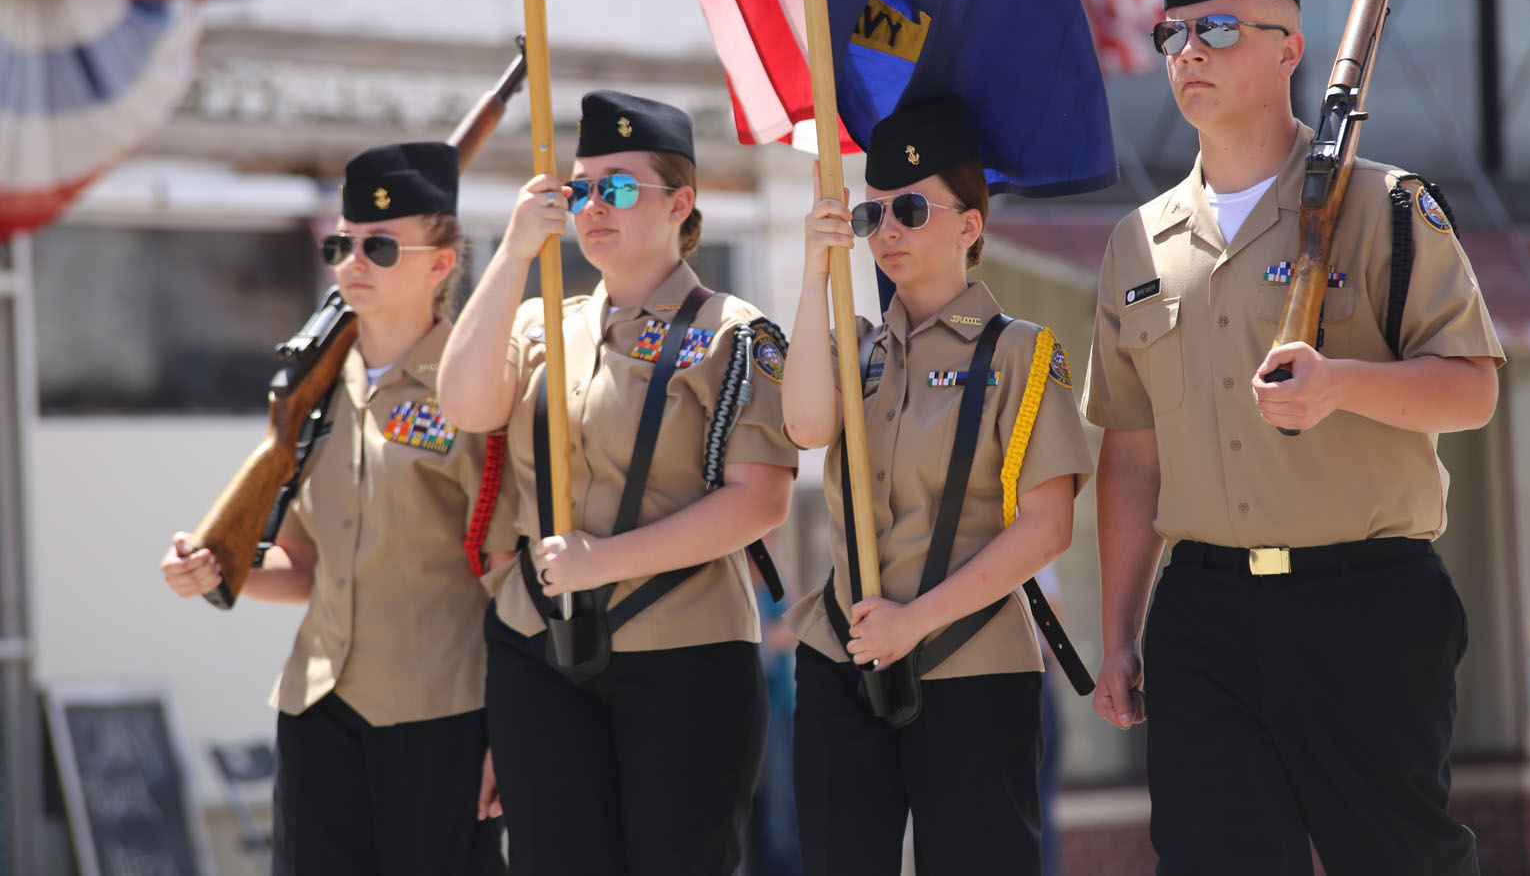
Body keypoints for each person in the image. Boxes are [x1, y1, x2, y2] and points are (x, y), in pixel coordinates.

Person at [1085, 0, 1504, 876]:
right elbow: (1133, 450)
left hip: (1362, 600)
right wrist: (1117, 633)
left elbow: (1473, 387)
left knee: (1398, 858)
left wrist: (1342, 384)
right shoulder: (1137, 246)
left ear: (1290, 48)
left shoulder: (1388, 207)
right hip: (1201, 608)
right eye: (1173, 33)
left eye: (1219, 28)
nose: (1188, 51)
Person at [436, 90, 798, 876]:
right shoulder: (540, 324)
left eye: (622, 186)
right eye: (581, 188)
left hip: (684, 651)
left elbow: (760, 498)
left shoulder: (735, 332)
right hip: (540, 650)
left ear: (683, 204)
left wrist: (606, 559)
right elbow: (463, 401)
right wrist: (510, 253)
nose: (595, 204)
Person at [160, 141, 515, 876]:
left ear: (442, 263)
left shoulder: (478, 390)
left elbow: (513, 577)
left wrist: (510, 733)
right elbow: (307, 562)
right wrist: (222, 565)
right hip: (318, 710)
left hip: (441, 718)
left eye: (380, 246)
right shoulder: (314, 388)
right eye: (341, 243)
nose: (353, 260)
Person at [782, 96, 1094, 876]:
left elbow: (1047, 527)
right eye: (872, 214)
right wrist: (816, 272)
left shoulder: (1021, 352)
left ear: (970, 223)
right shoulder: (852, 346)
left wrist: (913, 621)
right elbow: (805, 425)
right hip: (844, 656)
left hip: (970, 660)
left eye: (912, 208)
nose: (886, 229)